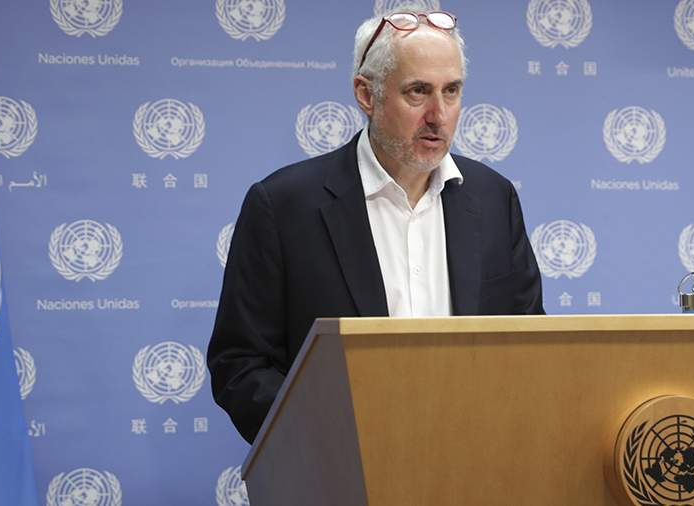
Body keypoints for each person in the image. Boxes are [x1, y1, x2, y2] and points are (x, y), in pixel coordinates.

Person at [207, 10, 545, 444]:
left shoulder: (494, 197)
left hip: (476, 458)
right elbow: (240, 364)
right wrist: (334, 436)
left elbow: (531, 344)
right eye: (418, 91)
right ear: (366, 95)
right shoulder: (284, 206)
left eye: (452, 90)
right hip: (340, 462)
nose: (438, 115)